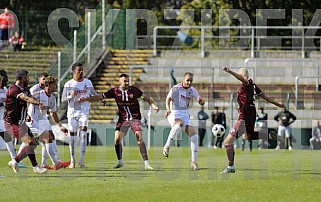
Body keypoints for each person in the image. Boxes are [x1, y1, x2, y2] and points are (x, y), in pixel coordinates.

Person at [77, 73, 159, 170]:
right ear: (119, 82)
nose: (127, 82)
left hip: (134, 118)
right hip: (123, 119)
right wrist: (85, 99)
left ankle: (146, 163)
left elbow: (146, 98)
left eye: (128, 80)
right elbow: (99, 97)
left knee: (139, 137)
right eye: (125, 81)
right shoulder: (115, 91)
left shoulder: (134, 91)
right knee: (116, 140)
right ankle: (120, 162)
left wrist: (153, 105)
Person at [221, 67, 284, 173]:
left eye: (239, 75)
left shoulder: (247, 82)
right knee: (247, 136)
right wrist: (278, 104)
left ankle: (230, 167)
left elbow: (242, 79)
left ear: (242, 74)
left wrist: (230, 71)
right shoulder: (254, 86)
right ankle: (268, 134)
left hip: (244, 117)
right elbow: (266, 97)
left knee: (227, 142)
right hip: (251, 114)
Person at [6, 69, 47, 174]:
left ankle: (15, 161)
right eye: (27, 77)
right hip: (12, 123)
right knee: (29, 142)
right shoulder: (13, 89)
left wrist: (28, 114)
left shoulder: (26, 89)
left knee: (33, 144)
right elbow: (26, 99)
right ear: (23, 78)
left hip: (22, 122)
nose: (29, 79)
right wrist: (37, 103)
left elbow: (29, 99)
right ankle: (36, 167)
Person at [163, 72, 205, 171]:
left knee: (194, 137)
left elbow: (200, 100)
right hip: (174, 112)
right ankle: (167, 146)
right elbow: (168, 99)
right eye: (188, 80)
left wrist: (201, 101)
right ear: (183, 79)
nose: (189, 82)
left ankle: (194, 162)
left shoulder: (192, 90)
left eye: (191, 80)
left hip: (185, 114)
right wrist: (168, 109)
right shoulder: (176, 88)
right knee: (179, 124)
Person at [26, 76, 70, 170]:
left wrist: (60, 126)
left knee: (50, 137)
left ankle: (45, 164)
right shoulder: (38, 94)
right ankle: (56, 163)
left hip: (41, 120)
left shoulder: (52, 99)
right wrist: (27, 114)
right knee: (46, 139)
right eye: (55, 84)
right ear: (48, 85)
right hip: (32, 121)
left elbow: (53, 113)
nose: (57, 86)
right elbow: (28, 100)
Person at [62, 63, 98, 169]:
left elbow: (93, 93)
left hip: (84, 112)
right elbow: (63, 99)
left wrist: (101, 98)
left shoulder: (88, 82)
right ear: (74, 72)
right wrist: (70, 96)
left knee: (83, 135)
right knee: (73, 138)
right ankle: (72, 160)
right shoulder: (69, 84)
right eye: (79, 70)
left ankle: (81, 160)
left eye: (82, 70)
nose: (81, 72)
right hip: (72, 114)